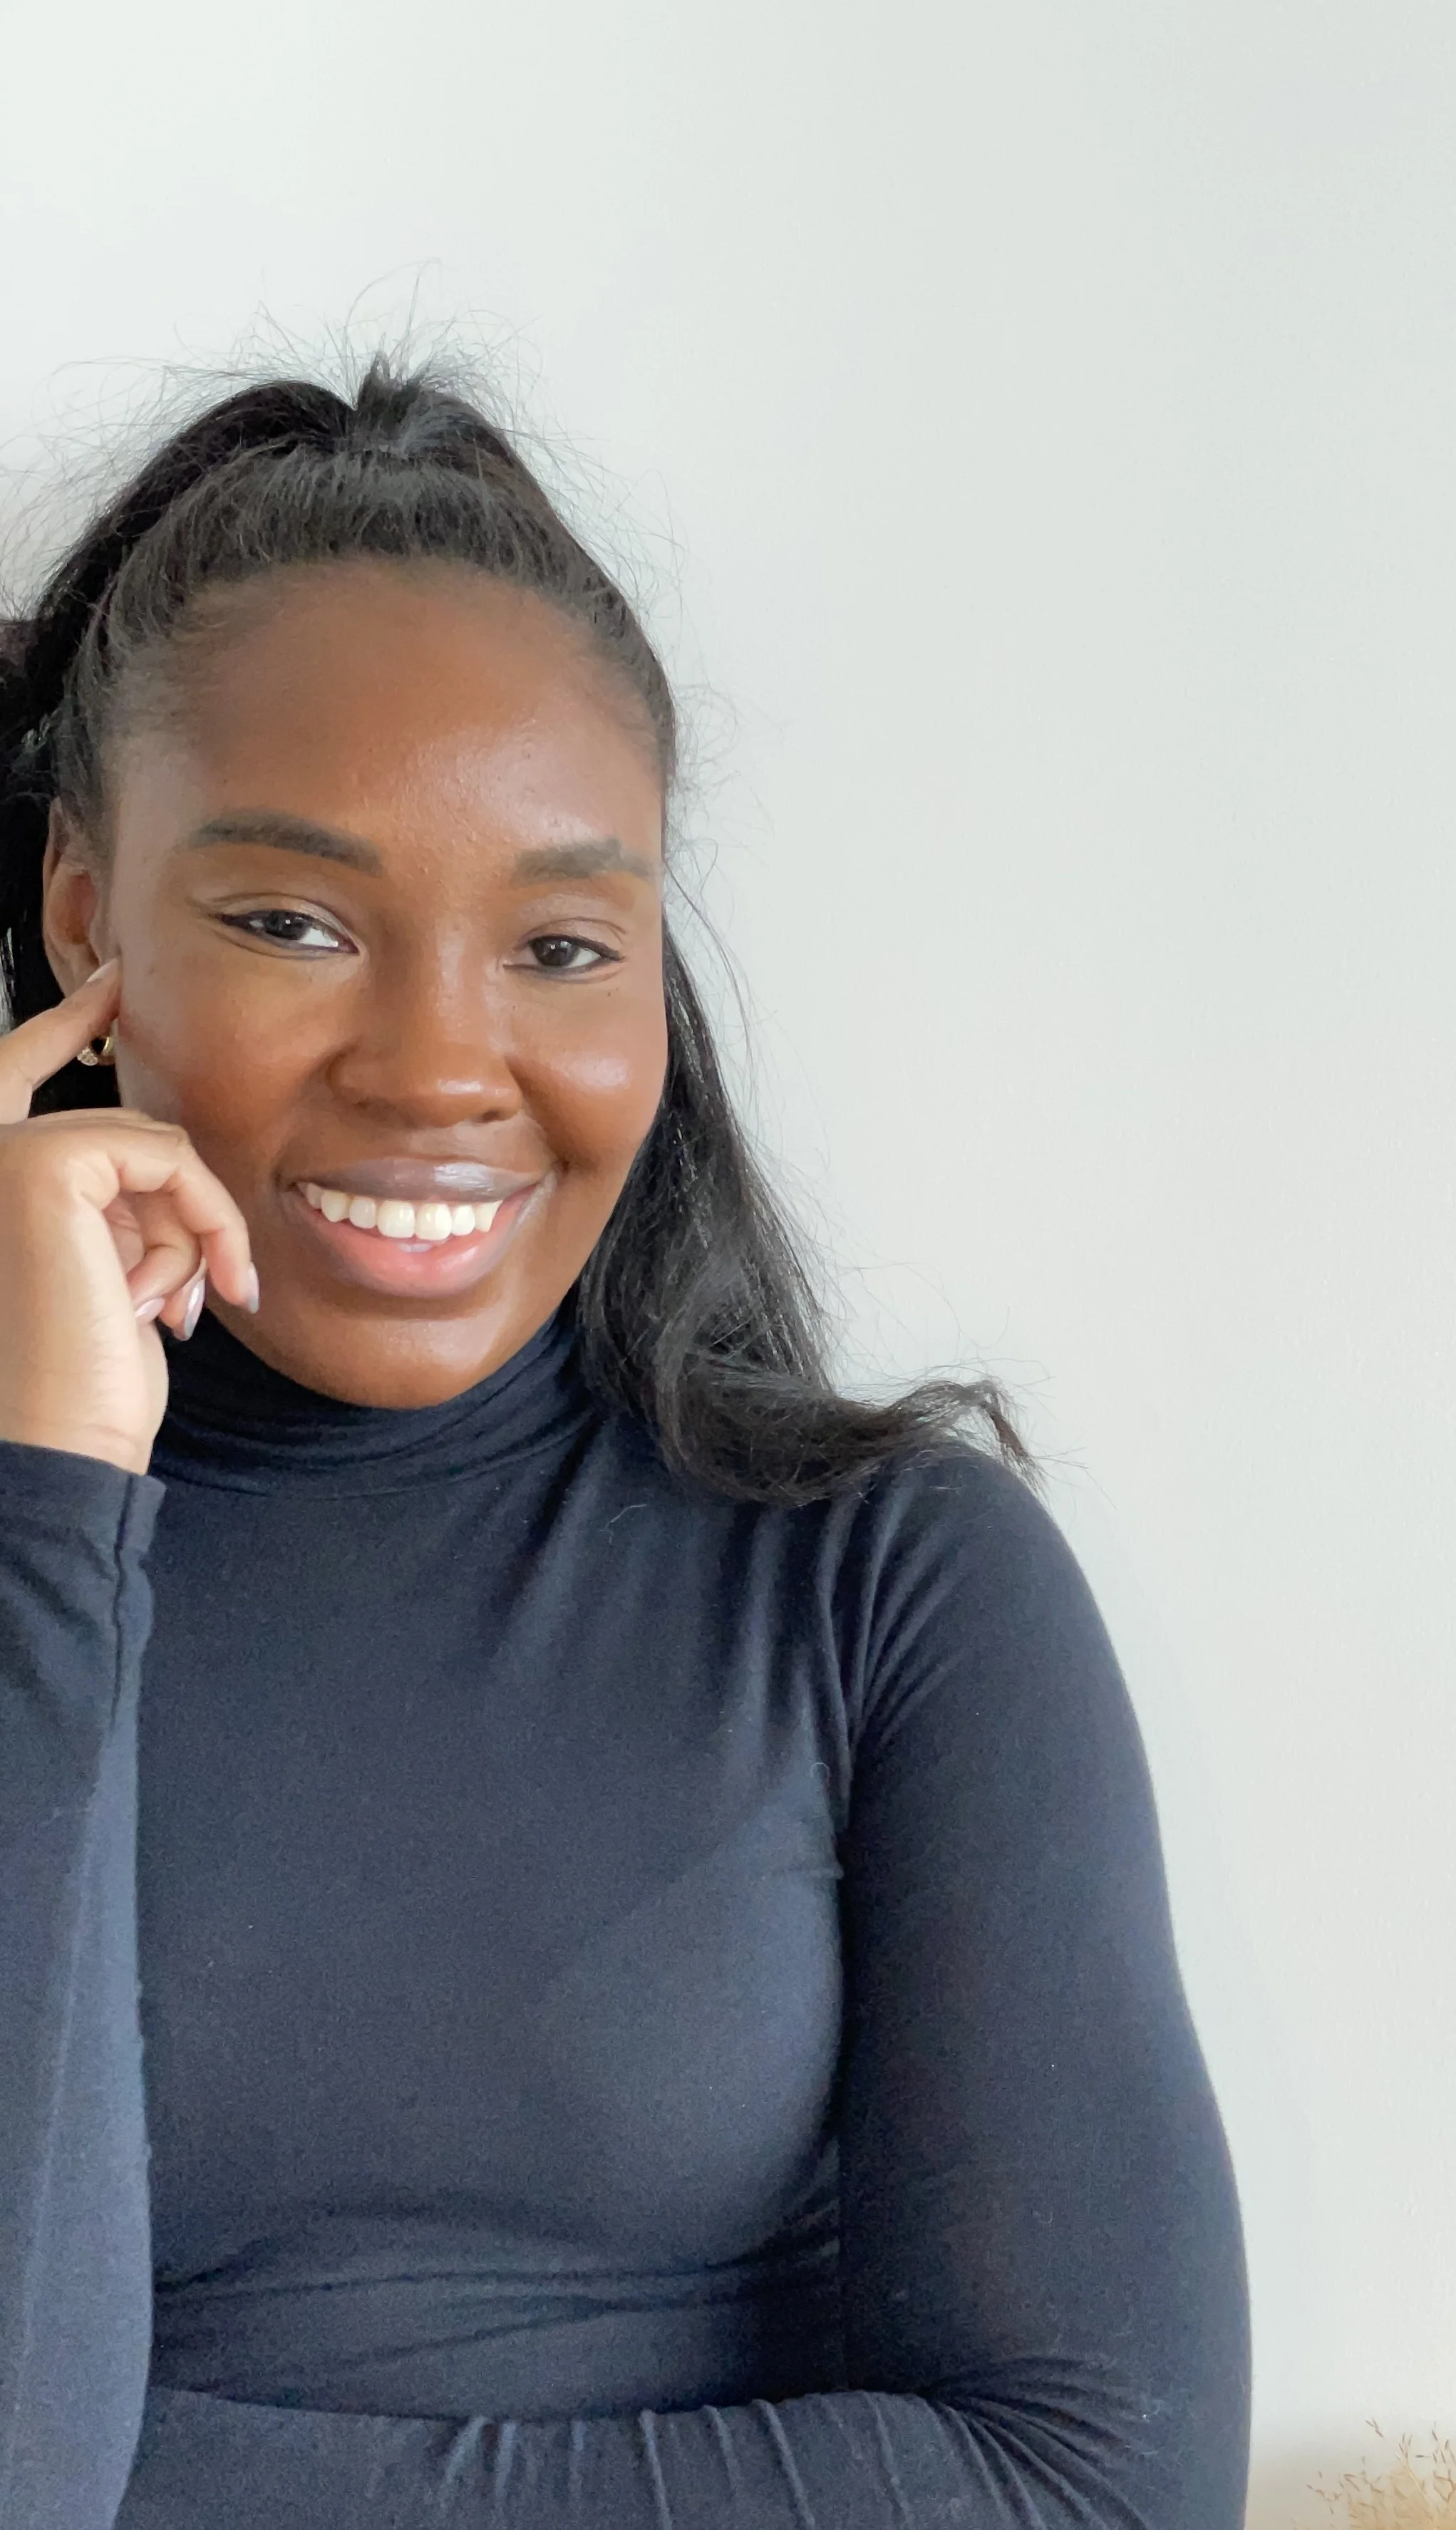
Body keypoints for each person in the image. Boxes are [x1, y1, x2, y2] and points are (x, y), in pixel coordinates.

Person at [0, 352, 1251, 2530]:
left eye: (562, 942)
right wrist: (45, 1510)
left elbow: (1096, 2489)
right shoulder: (25, 1557)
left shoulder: (885, 1584)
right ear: (87, 916)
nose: (442, 1067)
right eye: (296, 921)